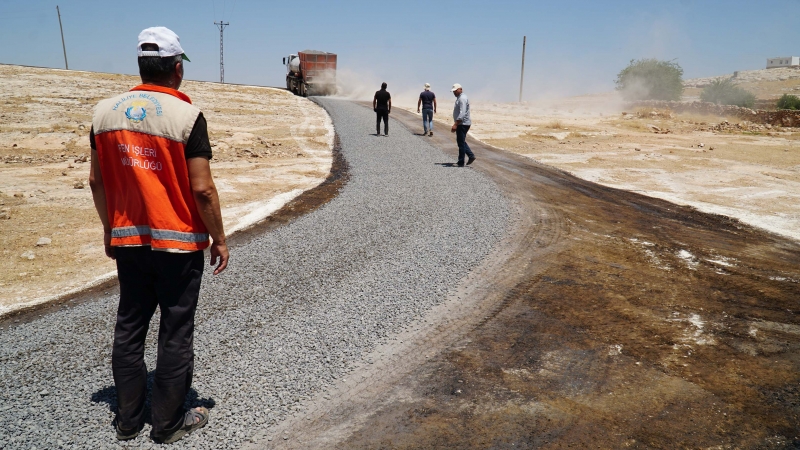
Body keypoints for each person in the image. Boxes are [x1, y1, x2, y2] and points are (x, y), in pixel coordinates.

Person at [88, 26, 229, 445]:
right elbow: (202, 188)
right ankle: (167, 425)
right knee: (175, 330)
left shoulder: (103, 113)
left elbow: (97, 183)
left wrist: (110, 229)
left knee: (129, 326)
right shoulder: (186, 116)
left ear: (141, 65)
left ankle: (127, 422)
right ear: (177, 68)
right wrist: (218, 238)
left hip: (129, 239)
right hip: (179, 244)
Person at [450, 83, 475, 166]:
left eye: (455, 91)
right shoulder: (460, 98)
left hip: (462, 123)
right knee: (461, 141)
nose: (454, 93)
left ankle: (461, 162)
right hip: (462, 123)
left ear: (460, 89)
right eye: (453, 91)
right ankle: (471, 156)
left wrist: (456, 124)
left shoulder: (462, 99)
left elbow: (462, 113)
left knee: (460, 143)